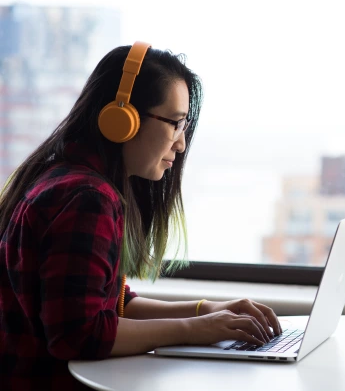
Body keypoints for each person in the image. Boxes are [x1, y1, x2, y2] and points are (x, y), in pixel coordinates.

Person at [0, 41, 282, 390]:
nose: (180, 144)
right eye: (175, 123)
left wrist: (205, 310)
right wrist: (196, 331)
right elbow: (78, 333)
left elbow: (113, 302)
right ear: (123, 119)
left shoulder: (63, 176)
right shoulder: (87, 199)